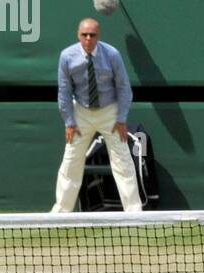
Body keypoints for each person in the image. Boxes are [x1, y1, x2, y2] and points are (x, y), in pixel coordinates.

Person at [51, 17, 142, 213]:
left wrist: (121, 119)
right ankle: (61, 212)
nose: (88, 39)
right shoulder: (67, 56)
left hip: (110, 111)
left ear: (98, 36)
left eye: (92, 35)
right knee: (71, 160)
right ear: (78, 35)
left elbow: (124, 87)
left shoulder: (112, 54)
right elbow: (64, 91)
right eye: (84, 35)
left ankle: (134, 212)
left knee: (123, 160)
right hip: (81, 112)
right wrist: (69, 121)